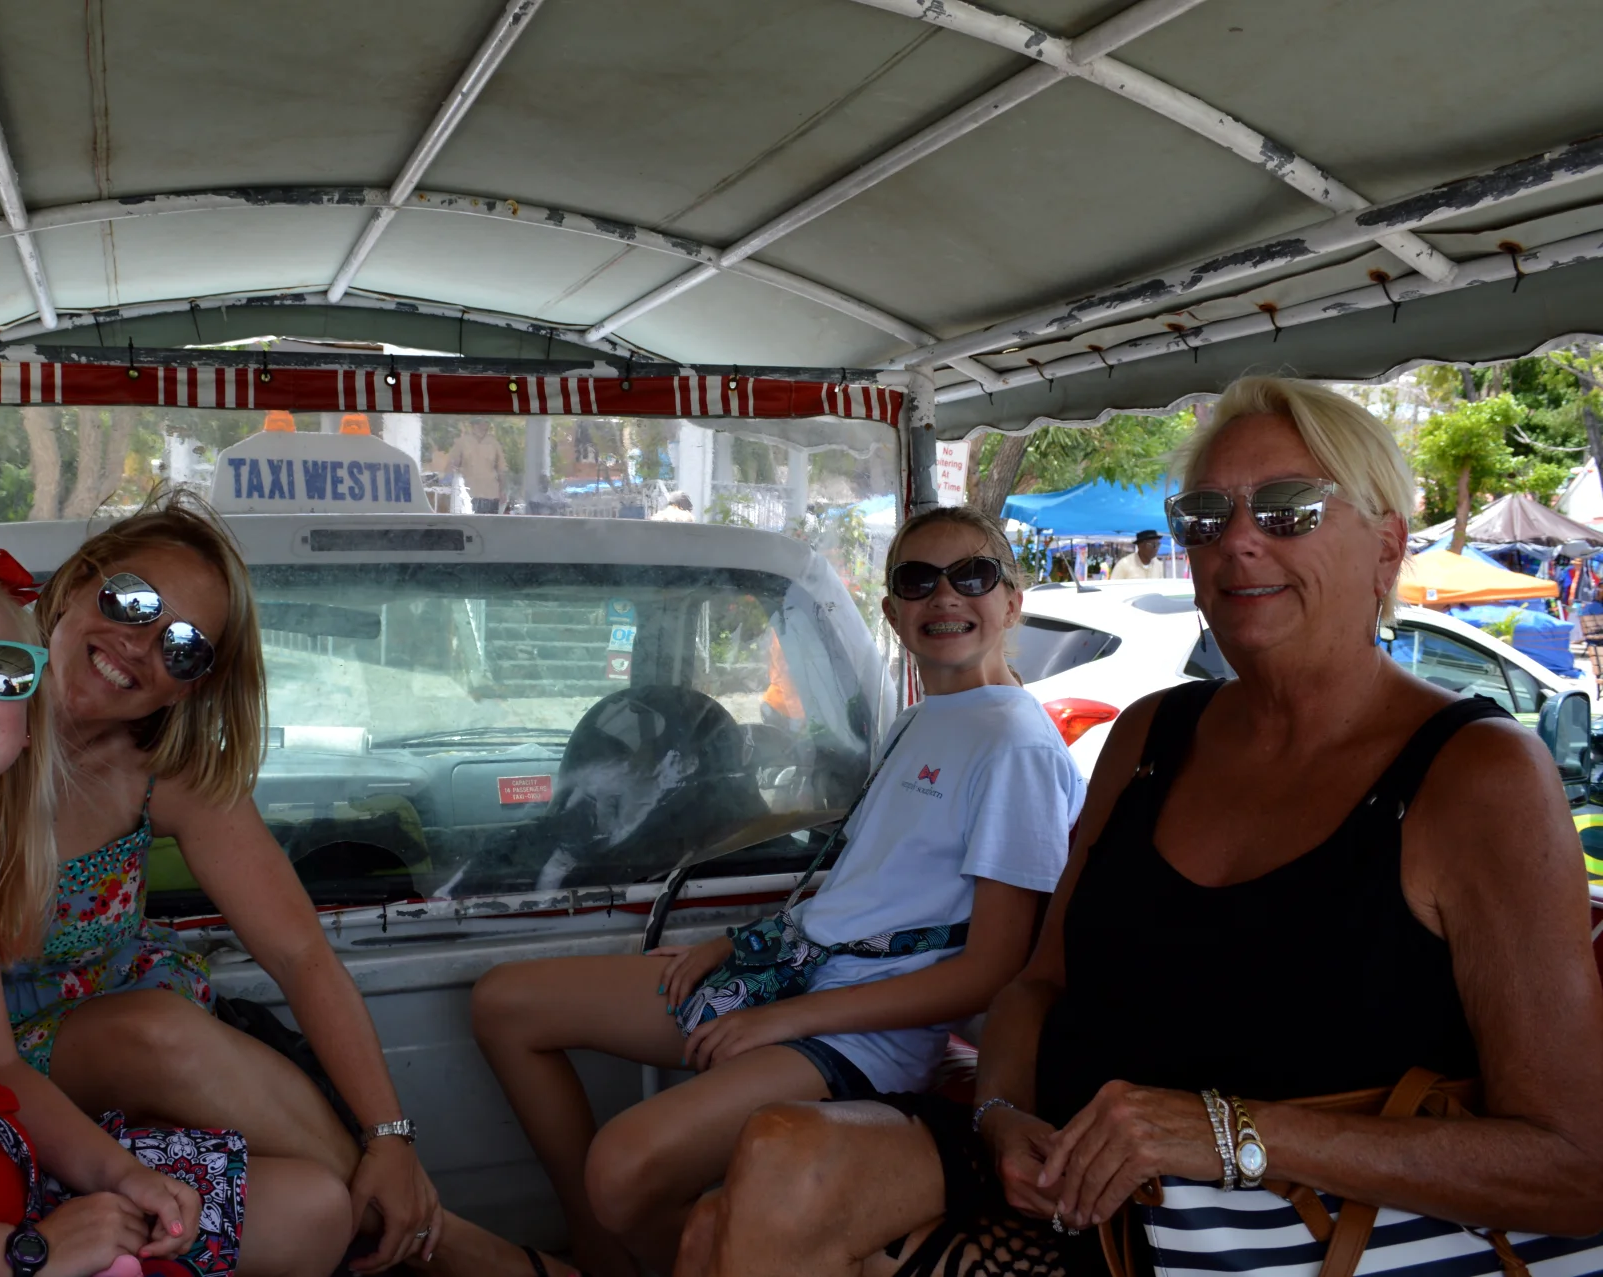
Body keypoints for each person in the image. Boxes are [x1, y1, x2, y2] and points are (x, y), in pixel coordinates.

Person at [674, 376, 1603, 1277]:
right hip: (1064, 1170)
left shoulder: (1477, 776)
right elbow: (1036, 984)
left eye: (1289, 508)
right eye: (1205, 515)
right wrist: (1000, 1114)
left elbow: (1577, 1164)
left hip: (1275, 1218)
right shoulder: (1152, 736)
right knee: (773, 1158)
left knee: (731, 1223)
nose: (1239, 540)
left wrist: (1229, 1134)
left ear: (1388, 546)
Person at [0, 491, 541, 1275]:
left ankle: (412, 1220)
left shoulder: (51, 813)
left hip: (19, 1093)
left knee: (291, 1182)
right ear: (75, 585)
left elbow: (300, 953)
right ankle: (444, 1246)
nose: (139, 642)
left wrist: (391, 1135)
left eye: (183, 645)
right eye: (131, 602)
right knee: (156, 1032)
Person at [471, 505, 1083, 1277]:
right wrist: (735, 942)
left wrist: (787, 1018)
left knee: (621, 1169)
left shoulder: (1015, 743)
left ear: (1012, 600)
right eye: (918, 580)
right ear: (892, 611)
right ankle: (601, 1246)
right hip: (794, 972)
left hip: (865, 1033)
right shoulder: (920, 721)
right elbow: (868, 890)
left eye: (973, 575)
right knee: (506, 1003)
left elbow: (990, 970)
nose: (945, 596)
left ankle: (664, 1248)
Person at [446, 421, 509, 514]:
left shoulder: (494, 443)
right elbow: (452, 466)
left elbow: (502, 469)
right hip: (469, 495)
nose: (483, 426)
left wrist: (502, 491)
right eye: (479, 423)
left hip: (491, 495)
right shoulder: (462, 442)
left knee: (490, 522)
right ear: (473, 425)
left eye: (486, 423)